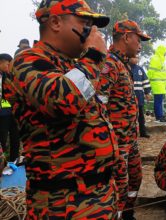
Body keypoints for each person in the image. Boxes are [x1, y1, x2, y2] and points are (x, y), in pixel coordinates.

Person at [3, 0, 119, 218]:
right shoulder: (27, 61)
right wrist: (93, 56)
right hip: (63, 202)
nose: (91, 32)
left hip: (96, 196)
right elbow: (63, 100)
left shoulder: (69, 65)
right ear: (55, 22)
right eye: (85, 23)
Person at [97, 19, 151, 219]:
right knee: (119, 186)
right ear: (127, 37)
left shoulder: (123, 64)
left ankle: (128, 213)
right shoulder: (109, 64)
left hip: (130, 140)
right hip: (116, 144)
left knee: (135, 180)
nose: (140, 45)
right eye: (139, 39)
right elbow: (97, 104)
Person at [0, 53, 20, 163]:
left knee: (15, 137)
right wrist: (8, 105)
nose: (9, 66)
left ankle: (14, 160)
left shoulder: (9, 75)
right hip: (4, 113)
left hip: (11, 112)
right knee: (2, 137)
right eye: (8, 64)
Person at [130, 56, 152, 138]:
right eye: (134, 57)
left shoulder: (140, 69)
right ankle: (131, 134)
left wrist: (147, 93)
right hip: (130, 98)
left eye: (137, 58)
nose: (136, 59)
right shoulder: (125, 67)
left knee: (141, 117)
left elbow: (145, 81)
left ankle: (143, 132)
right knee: (131, 116)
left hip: (139, 98)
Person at [147, 45, 166, 123]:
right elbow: (151, 71)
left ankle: (160, 116)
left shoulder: (160, 60)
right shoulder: (156, 59)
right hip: (157, 84)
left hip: (161, 84)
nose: (165, 54)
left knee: (159, 101)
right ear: (162, 51)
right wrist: (147, 81)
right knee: (158, 101)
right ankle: (159, 117)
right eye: (165, 52)